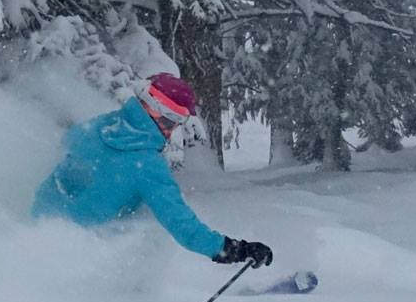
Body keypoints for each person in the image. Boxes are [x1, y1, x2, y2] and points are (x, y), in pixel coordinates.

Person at [33, 73, 273, 268]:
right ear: (154, 112)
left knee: (137, 213)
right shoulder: (146, 164)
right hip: (83, 252)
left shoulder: (100, 124)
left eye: (176, 124)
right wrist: (235, 250)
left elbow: (65, 150)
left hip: (39, 225)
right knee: (149, 229)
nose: (170, 132)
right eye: (170, 122)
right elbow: (180, 223)